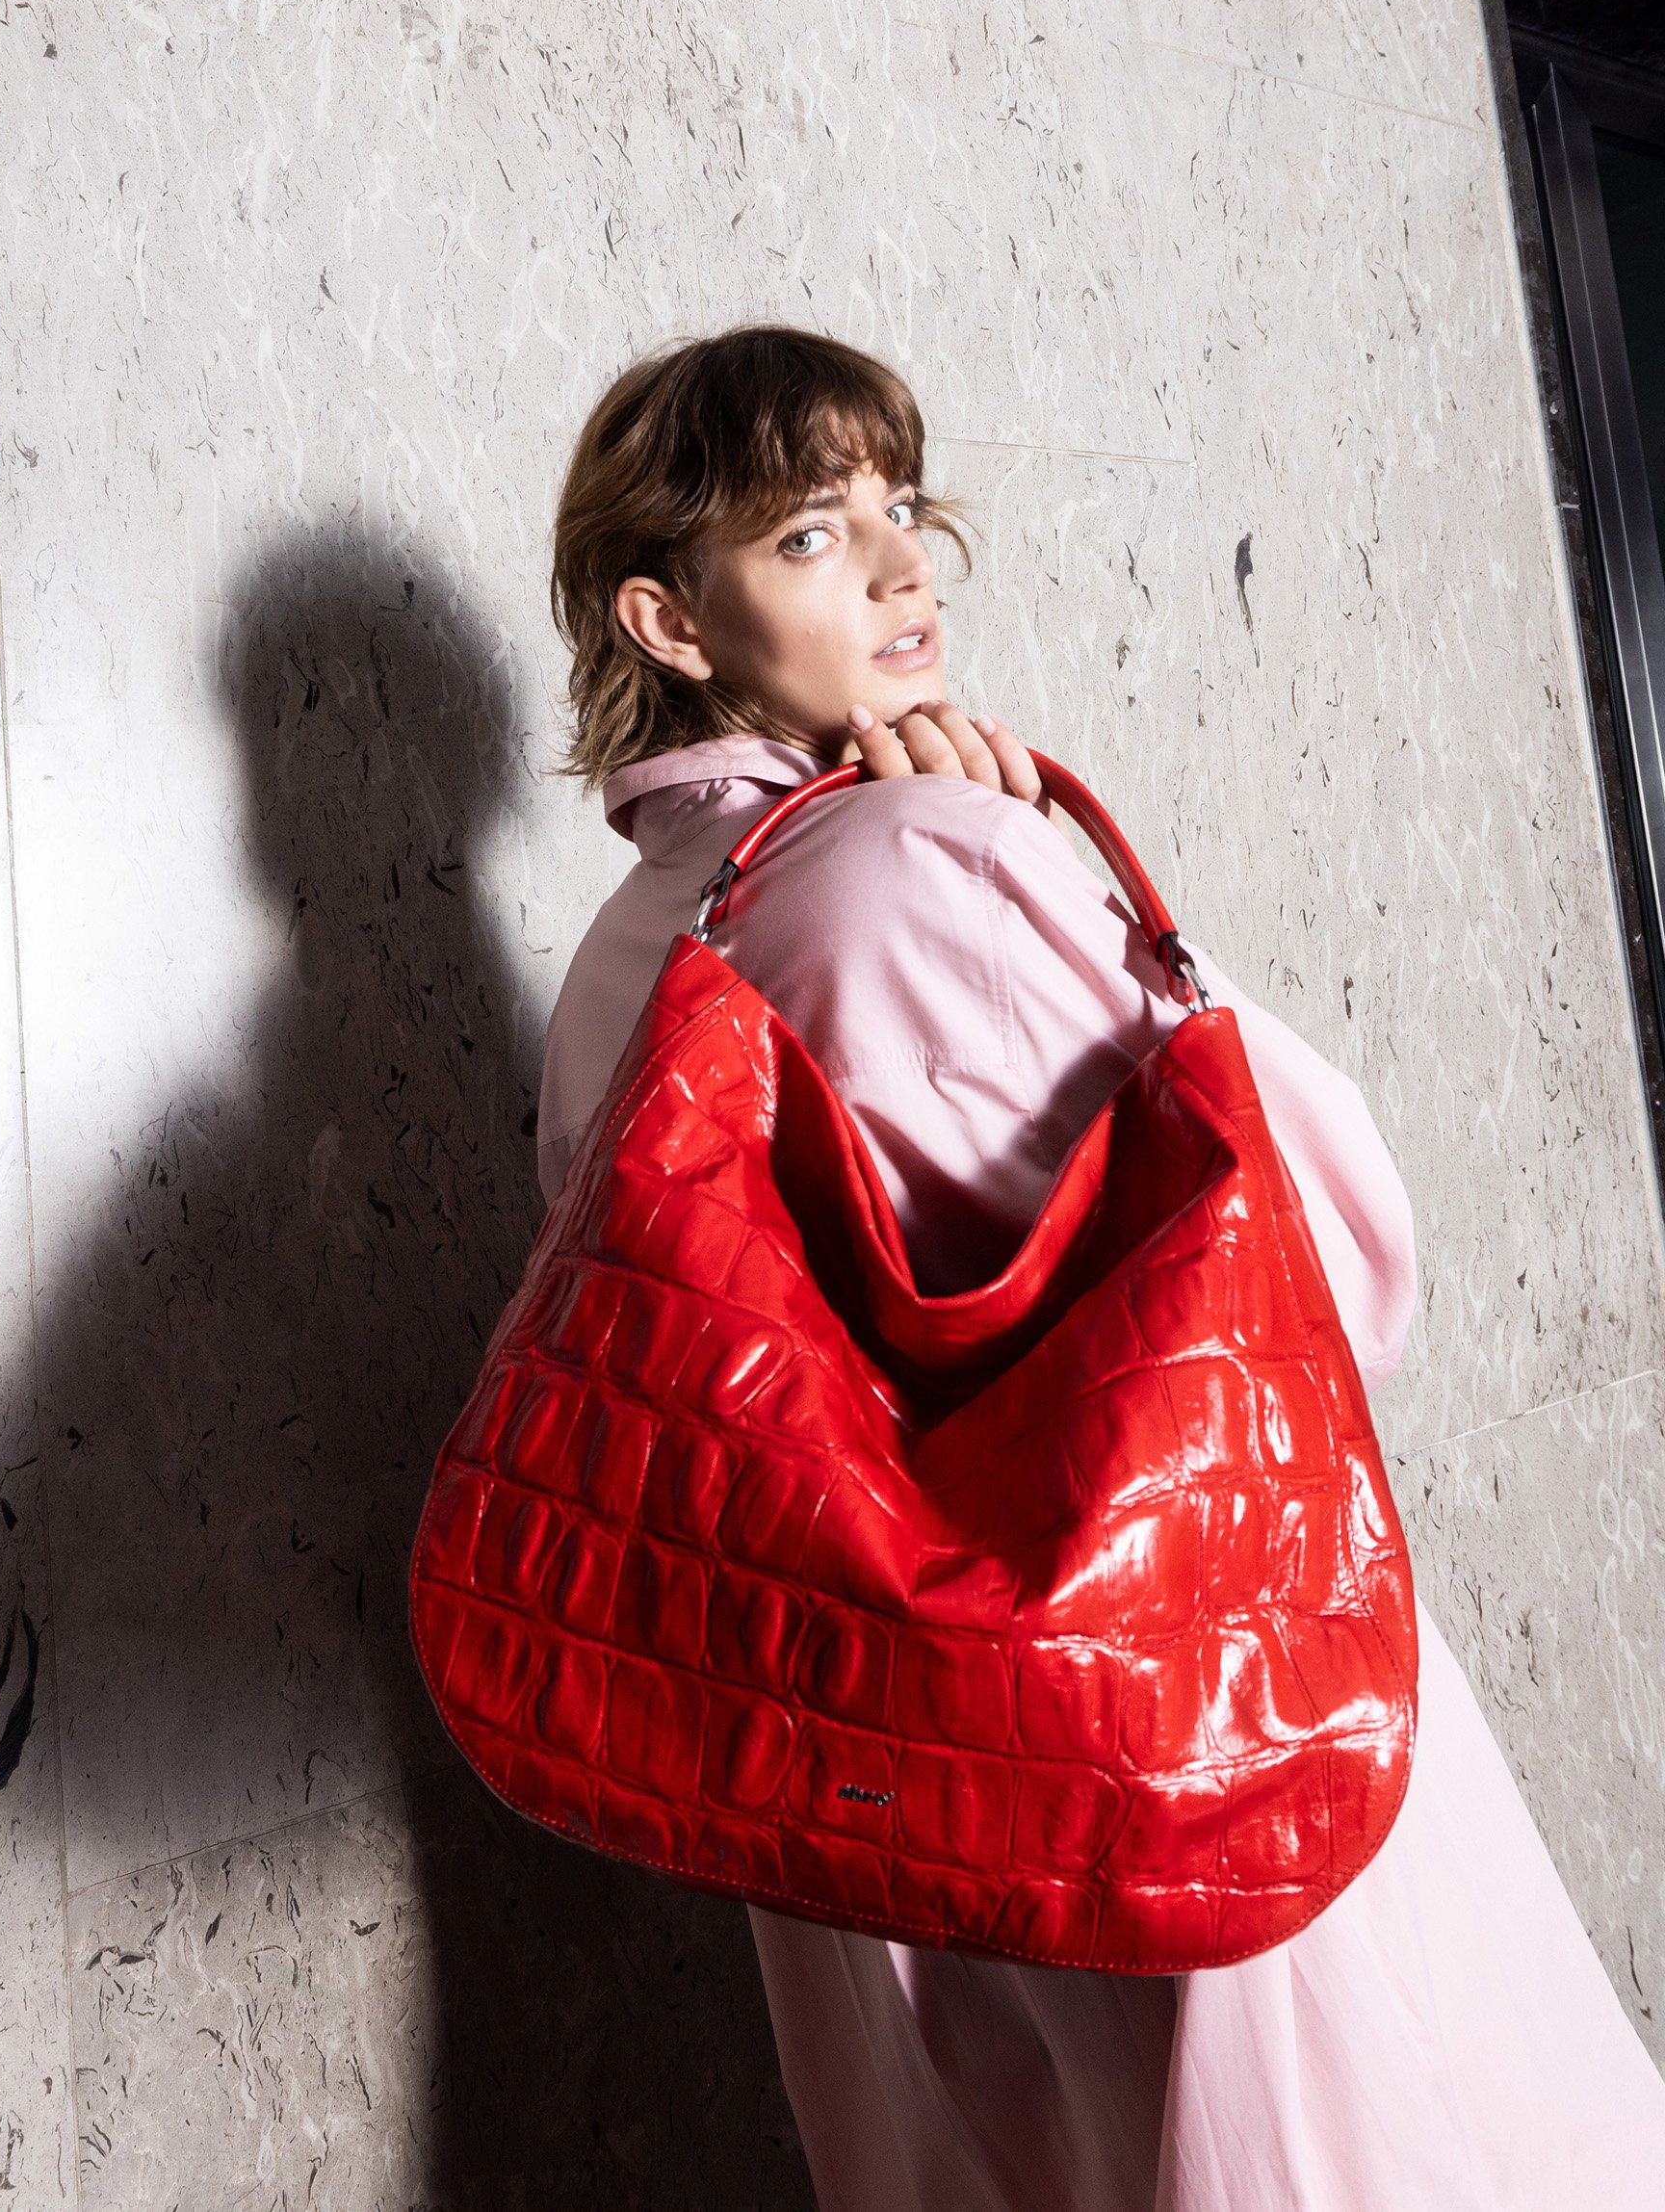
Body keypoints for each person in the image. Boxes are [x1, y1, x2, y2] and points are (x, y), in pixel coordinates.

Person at [533, 325, 1665, 2210]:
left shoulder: (615, 966)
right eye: (809, 533)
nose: (901, 564)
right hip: (1169, 1742)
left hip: (871, 1820)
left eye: (897, 504)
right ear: (669, 619)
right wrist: (1023, 857)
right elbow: (1336, 1259)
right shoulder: (912, 865)